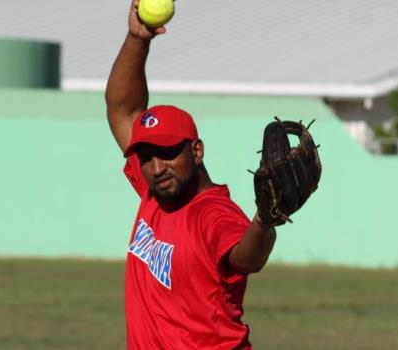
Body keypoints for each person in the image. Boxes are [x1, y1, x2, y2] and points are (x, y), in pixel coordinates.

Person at [105, 1, 277, 348]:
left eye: (168, 153)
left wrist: (265, 219)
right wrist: (137, 39)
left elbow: (247, 258)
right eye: (147, 157)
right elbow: (122, 109)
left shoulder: (212, 213)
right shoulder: (154, 189)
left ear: (196, 151)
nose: (156, 168)